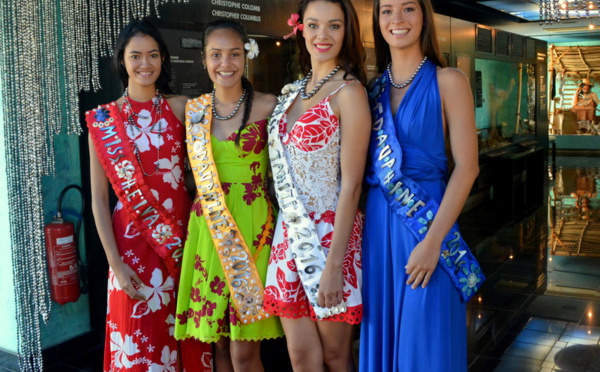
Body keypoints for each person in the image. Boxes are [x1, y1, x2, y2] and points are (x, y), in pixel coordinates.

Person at [359, 0, 484, 371]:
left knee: (425, 344)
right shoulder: (371, 90)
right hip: (380, 230)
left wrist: (432, 243)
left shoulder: (449, 81)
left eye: (408, 8)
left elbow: (468, 168)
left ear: (424, 17)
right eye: (386, 10)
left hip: (429, 227)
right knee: (384, 332)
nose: (396, 19)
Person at [86, 20, 212, 371]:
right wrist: (116, 264)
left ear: (163, 59)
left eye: (153, 55)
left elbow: (202, 173)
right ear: (122, 61)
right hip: (128, 250)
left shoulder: (182, 108)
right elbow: (98, 199)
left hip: (181, 244)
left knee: (184, 339)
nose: (145, 64)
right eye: (136, 56)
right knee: (138, 339)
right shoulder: (103, 121)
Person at [263, 0, 371, 370]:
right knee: (301, 356)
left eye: (334, 26)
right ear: (300, 29)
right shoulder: (290, 91)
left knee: (336, 357)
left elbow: (352, 186)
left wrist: (334, 265)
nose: (322, 35)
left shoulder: (349, 93)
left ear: (347, 32)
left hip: (332, 237)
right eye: (313, 25)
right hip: (288, 234)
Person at [174, 19, 284, 372]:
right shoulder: (193, 111)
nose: (226, 63)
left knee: (245, 349)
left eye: (234, 54)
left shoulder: (271, 105)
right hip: (209, 231)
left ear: (246, 56)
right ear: (205, 60)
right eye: (216, 54)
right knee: (219, 345)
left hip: (253, 230)